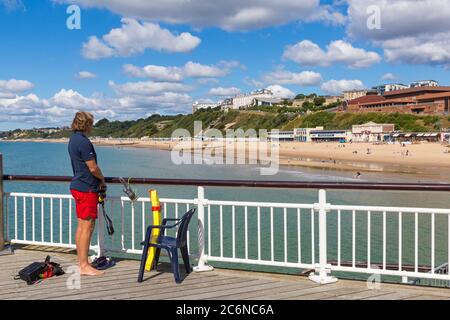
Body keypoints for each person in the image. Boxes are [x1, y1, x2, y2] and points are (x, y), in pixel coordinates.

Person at [68, 111, 106, 276]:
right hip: (86, 188)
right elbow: (93, 167)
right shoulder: (83, 142)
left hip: (78, 186)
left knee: (82, 226)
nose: (92, 126)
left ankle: (82, 262)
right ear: (87, 124)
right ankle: (84, 266)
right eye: (91, 123)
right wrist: (102, 179)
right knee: (87, 228)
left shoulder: (73, 139)